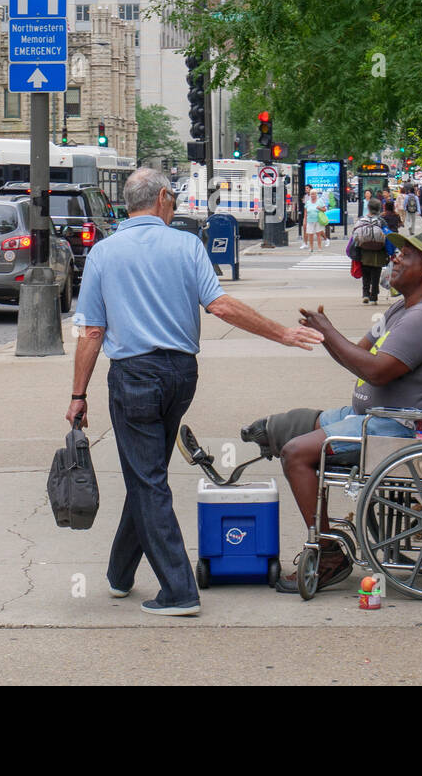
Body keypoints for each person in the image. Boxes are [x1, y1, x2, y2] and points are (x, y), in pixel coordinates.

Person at [69, 168, 323, 615]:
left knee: (147, 480)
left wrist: (78, 394)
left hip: (133, 376)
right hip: (180, 374)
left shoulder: (104, 253)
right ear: (164, 197)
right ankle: (119, 574)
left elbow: (92, 331)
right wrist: (280, 333)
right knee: (145, 475)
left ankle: (178, 591)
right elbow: (220, 304)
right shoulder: (187, 245)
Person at [240, 229, 422, 592]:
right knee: (288, 426)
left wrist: (329, 331)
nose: (394, 257)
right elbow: (359, 354)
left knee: (296, 454)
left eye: (404, 254)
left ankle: (328, 552)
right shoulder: (401, 307)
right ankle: (263, 437)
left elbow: (375, 369)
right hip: (372, 417)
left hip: (399, 429)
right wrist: (323, 334)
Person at [348, 197, 393, 303]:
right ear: (379, 209)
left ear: (368, 208)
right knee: (375, 274)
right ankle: (374, 296)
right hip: (379, 252)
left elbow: (354, 237)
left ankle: (365, 294)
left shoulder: (361, 220)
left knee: (366, 274)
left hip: (364, 252)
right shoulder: (381, 221)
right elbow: (388, 236)